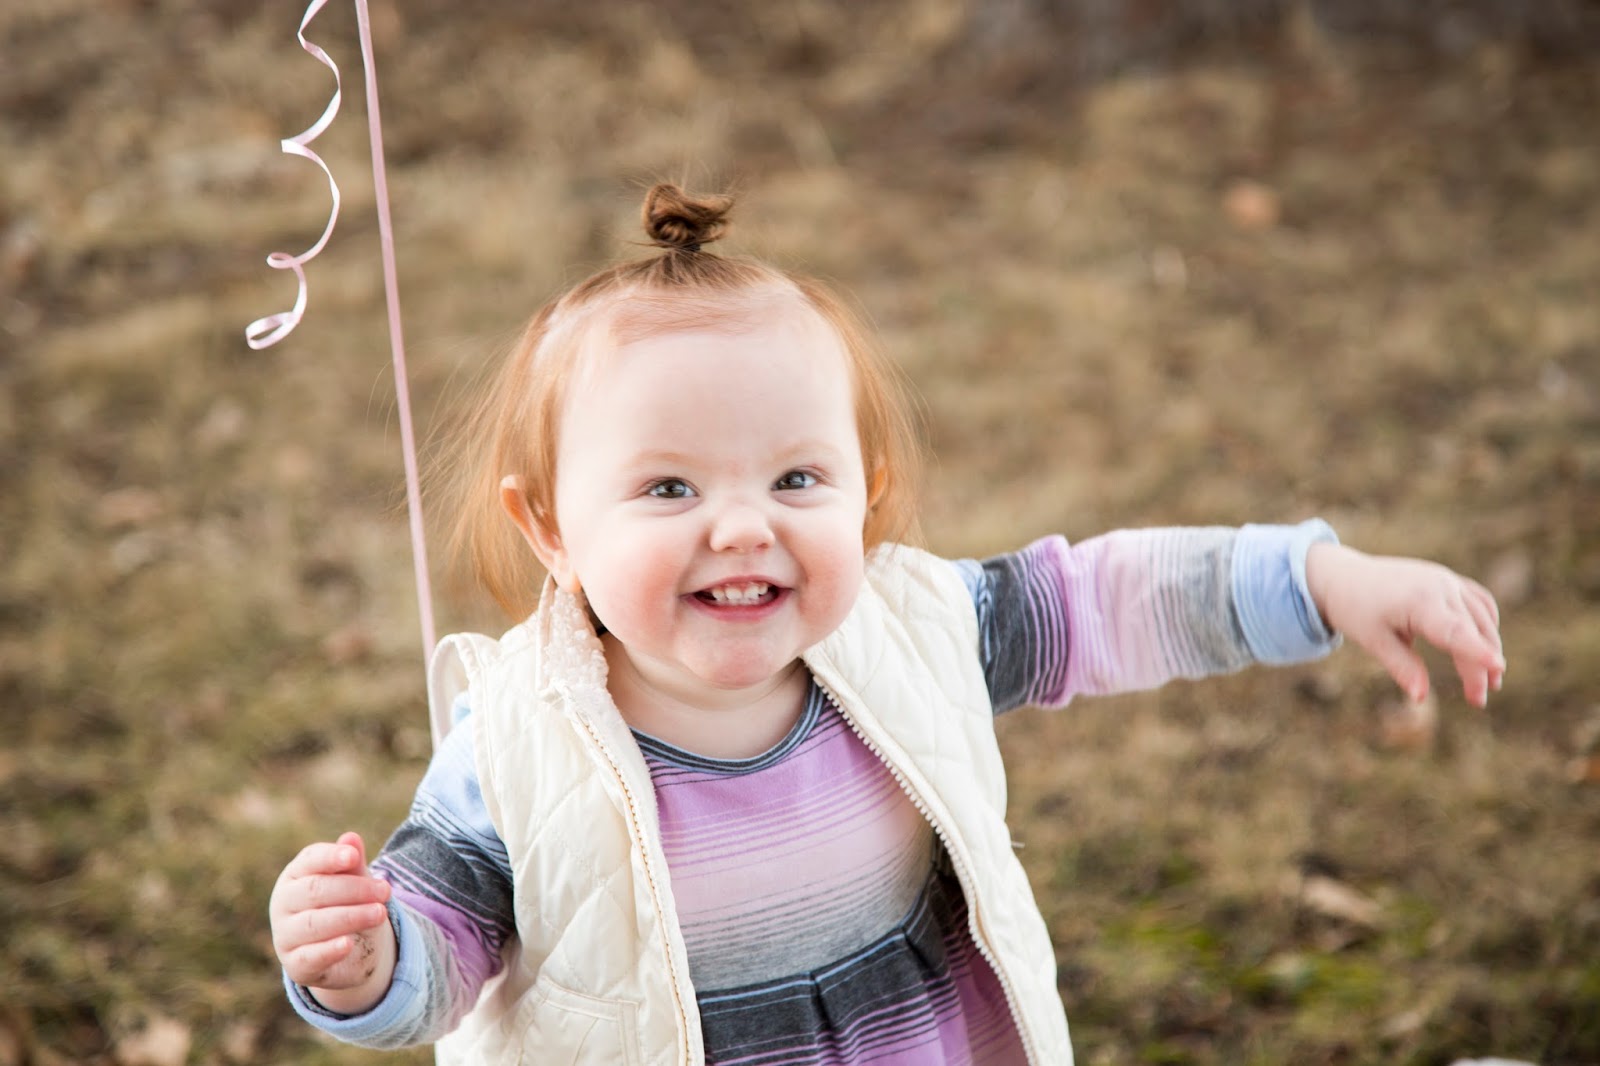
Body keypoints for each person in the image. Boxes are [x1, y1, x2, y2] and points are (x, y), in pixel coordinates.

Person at [268, 184, 1505, 1065]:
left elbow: (1109, 599)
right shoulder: (516, 748)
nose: (743, 527)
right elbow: (441, 955)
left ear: (865, 492)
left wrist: (1317, 578)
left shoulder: (913, 630)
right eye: (670, 488)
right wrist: (367, 963)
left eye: (795, 478)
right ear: (549, 526)